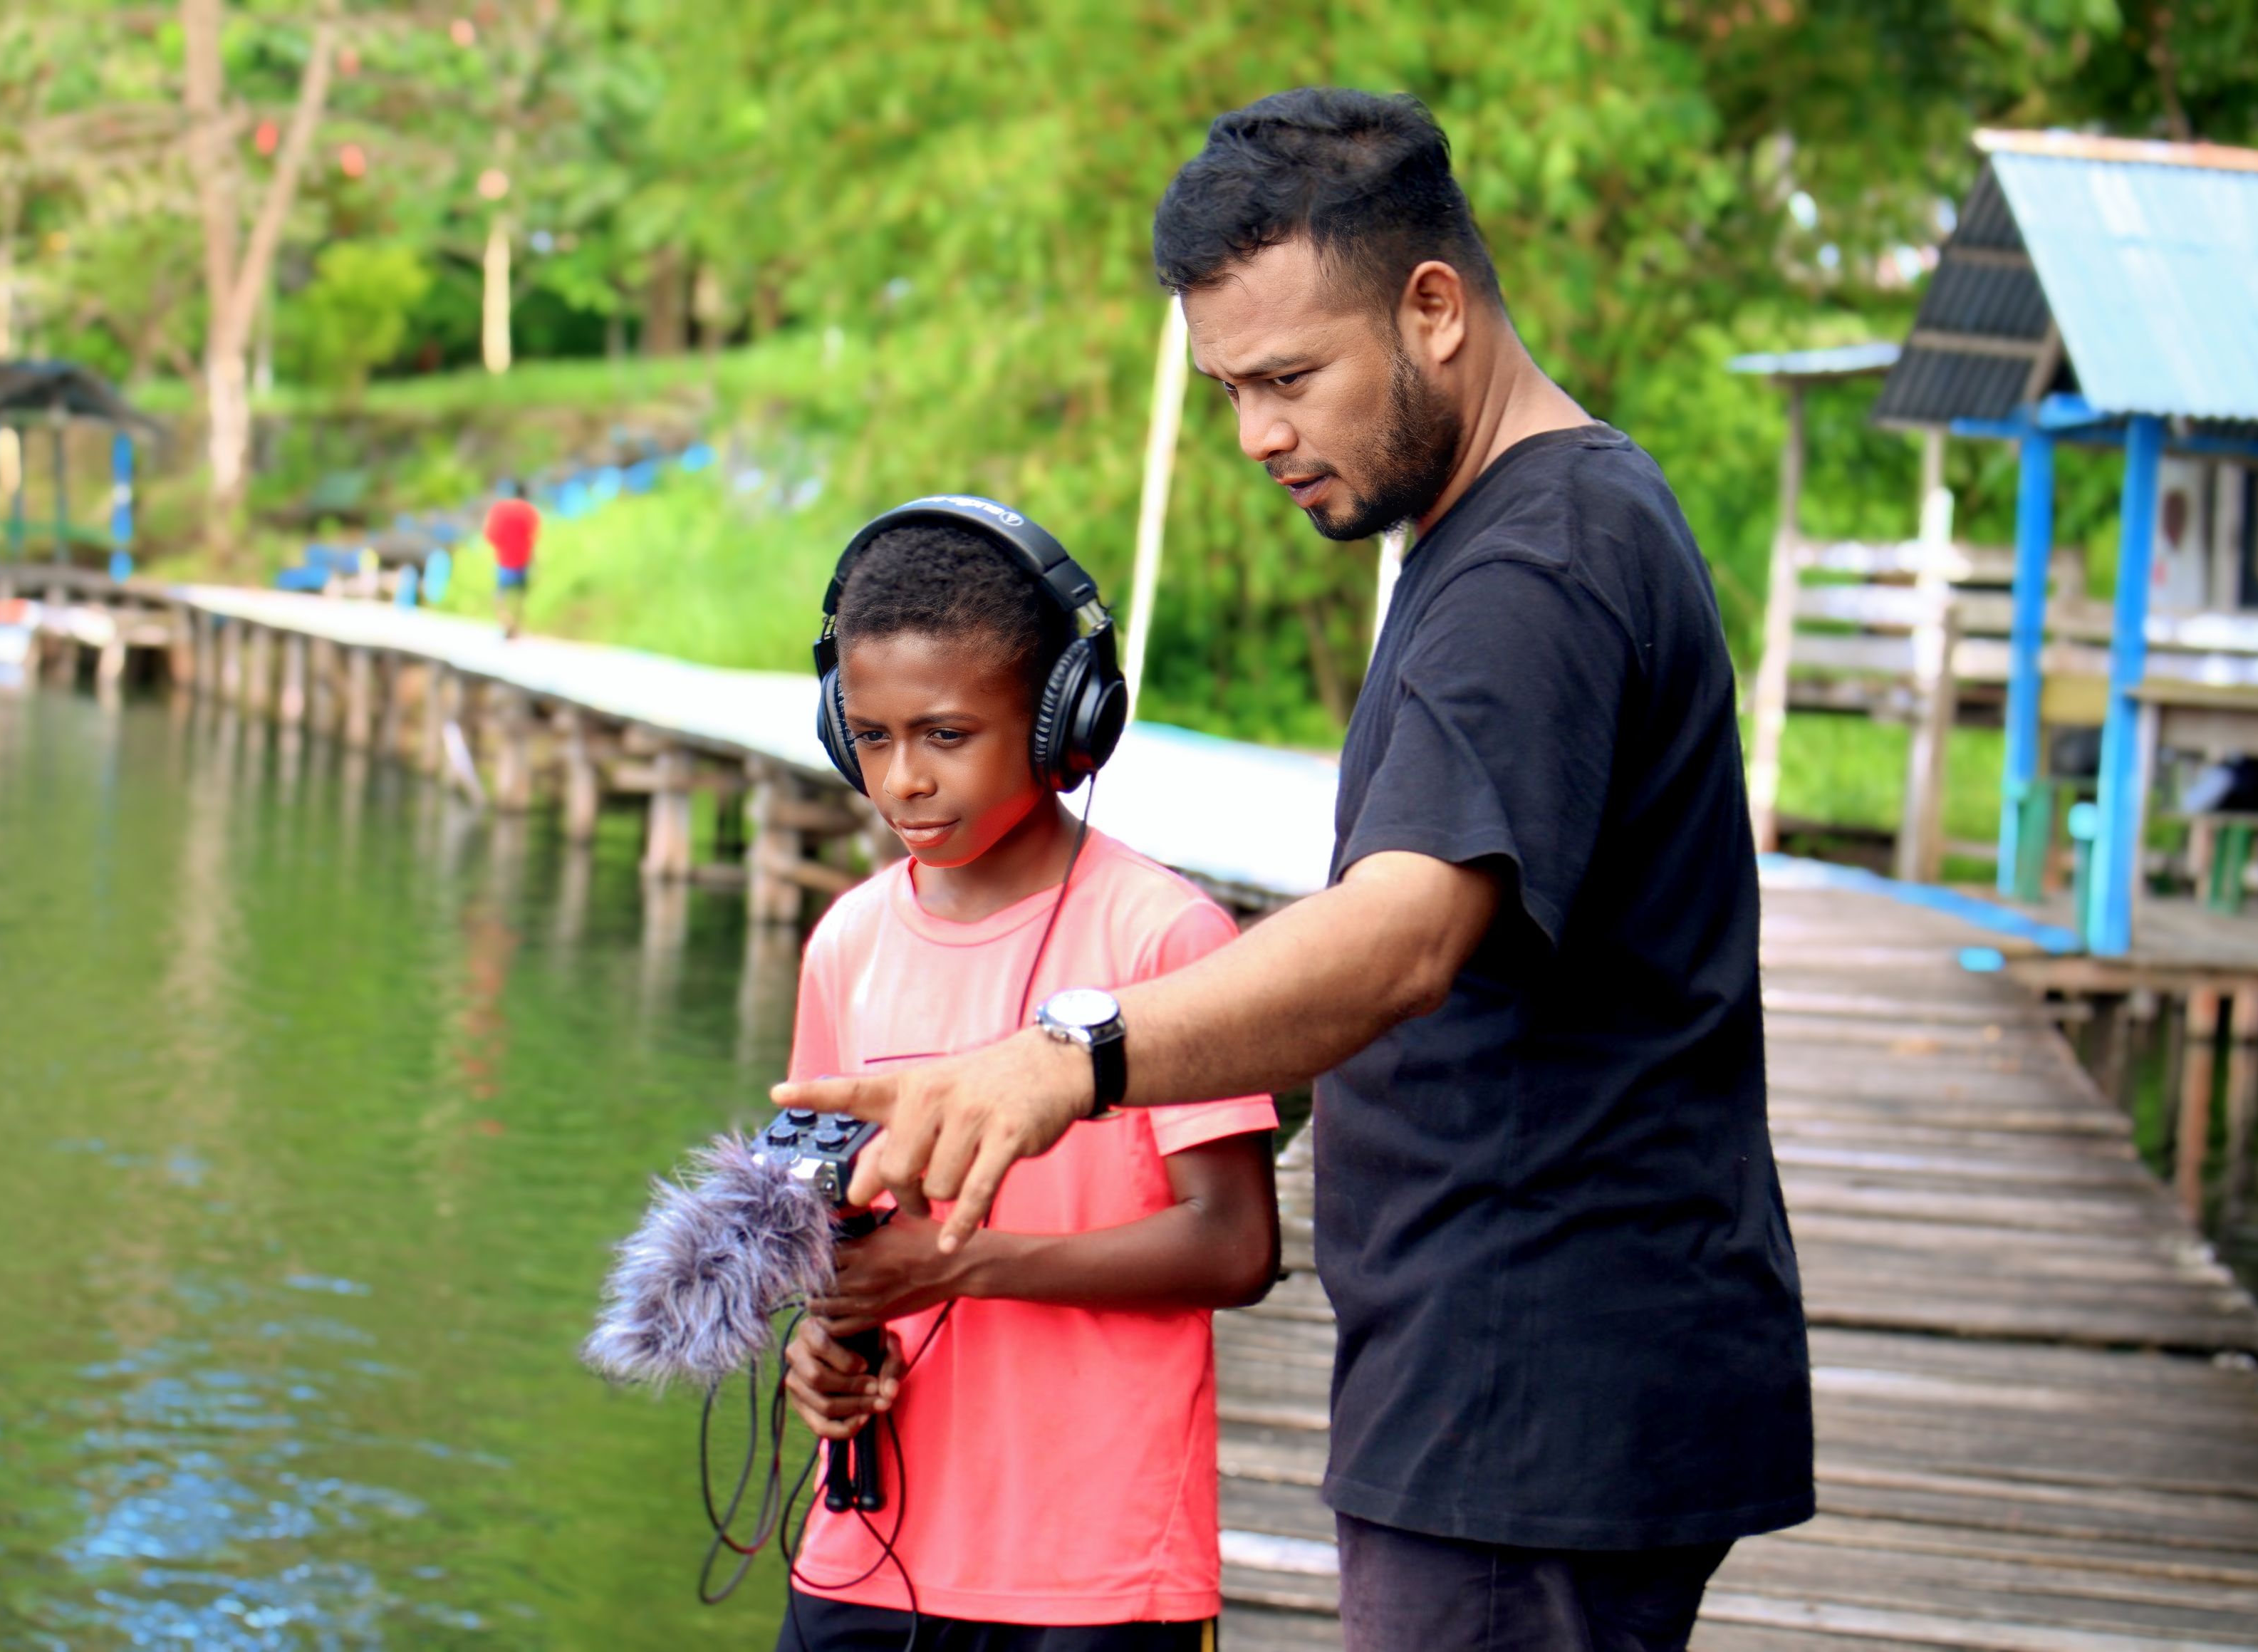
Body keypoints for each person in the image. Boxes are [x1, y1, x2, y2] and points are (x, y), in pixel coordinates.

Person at [776, 90, 1814, 1652]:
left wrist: (1070, 1053)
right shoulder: (1511, 533)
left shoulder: (1534, 569)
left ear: (1434, 308)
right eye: (1228, 389)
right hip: (1512, 1385)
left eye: (1289, 377)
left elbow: (1403, 932)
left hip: (1535, 1396)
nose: (1259, 433)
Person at [775, 502, 1280, 1652]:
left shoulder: (1163, 936)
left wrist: (968, 1263)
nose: (903, 778)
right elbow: (830, 1231)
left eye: (947, 734)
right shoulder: (846, 941)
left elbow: (1237, 1243)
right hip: (867, 1546)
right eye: (872, 735)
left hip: (1095, 1568)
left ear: (1067, 721)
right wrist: (821, 1341)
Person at [484, 497, 537, 639]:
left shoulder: (500, 510)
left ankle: (507, 624)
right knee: (520, 598)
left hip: (505, 562)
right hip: (523, 562)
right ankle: (516, 627)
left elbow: (491, 536)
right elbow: (533, 536)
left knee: (499, 598)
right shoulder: (528, 511)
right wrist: (535, 562)